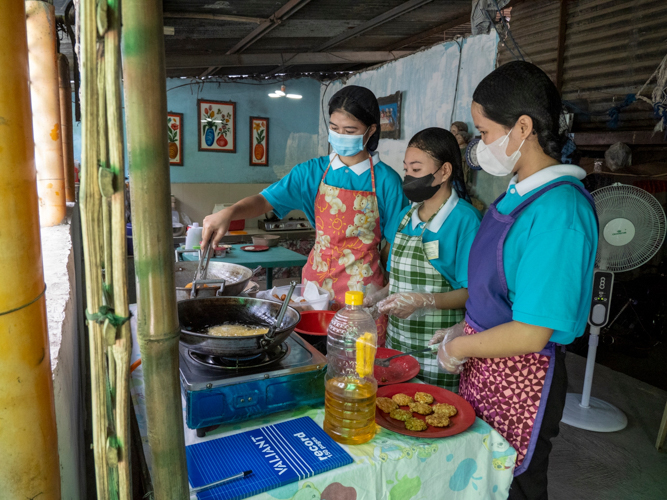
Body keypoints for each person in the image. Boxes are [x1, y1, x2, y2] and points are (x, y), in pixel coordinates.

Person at [431, 62, 598, 499]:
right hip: (487, 371)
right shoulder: (516, 194)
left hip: (524, 379)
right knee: (481, 477)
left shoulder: (559, 212)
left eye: (484, 133)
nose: (479, 146)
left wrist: (459, 346)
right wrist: (464, 327)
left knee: (513, 485)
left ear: (522, 127)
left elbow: (530, 330)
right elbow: (495, 292)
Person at [202, 85, 408, 345]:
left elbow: (396, 245)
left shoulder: (387, 181)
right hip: (315, 290)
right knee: (311, 355)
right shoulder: (311, 172)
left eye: (350, 131)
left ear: (371, 130)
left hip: (365, 294)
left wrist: (387, 289)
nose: (340, 136)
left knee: (356, 366)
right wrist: (229, 212)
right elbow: (265, 201)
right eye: (334, 128)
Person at [364, 128, 481, 391]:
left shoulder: (465, 220)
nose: (407, 177)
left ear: (445, 171)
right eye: (406, 170)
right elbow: (397, 278)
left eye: (416, 170)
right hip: (397, 344)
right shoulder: (405, 216)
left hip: (437, 348)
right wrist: (380, 295)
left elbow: (472, 293)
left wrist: (424, 301)